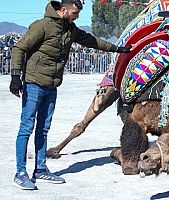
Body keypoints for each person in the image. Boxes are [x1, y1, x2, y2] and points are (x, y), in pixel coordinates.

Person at [10, 0, 132, 190]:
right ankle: (20, 172)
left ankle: (40, 169)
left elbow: (92, 41)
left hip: (52, 86)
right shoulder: (41, 26)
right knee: (27, 127)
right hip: (34, 84)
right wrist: (15, 77)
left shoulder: (70, 29)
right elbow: (19, 48)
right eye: (75, 13)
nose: (77, 17)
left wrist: (118, 49)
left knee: (43, 129)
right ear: (63, 10)